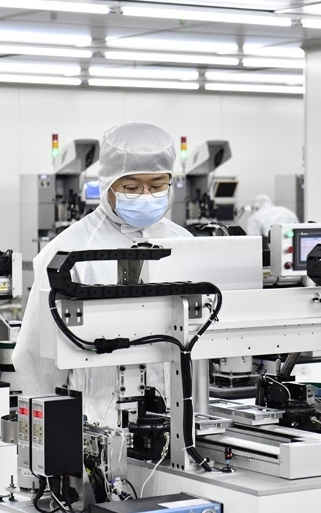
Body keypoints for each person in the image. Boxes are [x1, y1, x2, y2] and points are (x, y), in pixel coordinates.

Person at [12, 121, 192, 425]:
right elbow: (36, 358)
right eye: (131, 187)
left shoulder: (184, 243)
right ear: (107, 183)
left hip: (176, 422)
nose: (146, 196)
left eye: (157, 185)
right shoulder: (70, 251)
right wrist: (54, 429)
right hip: (96, 423)